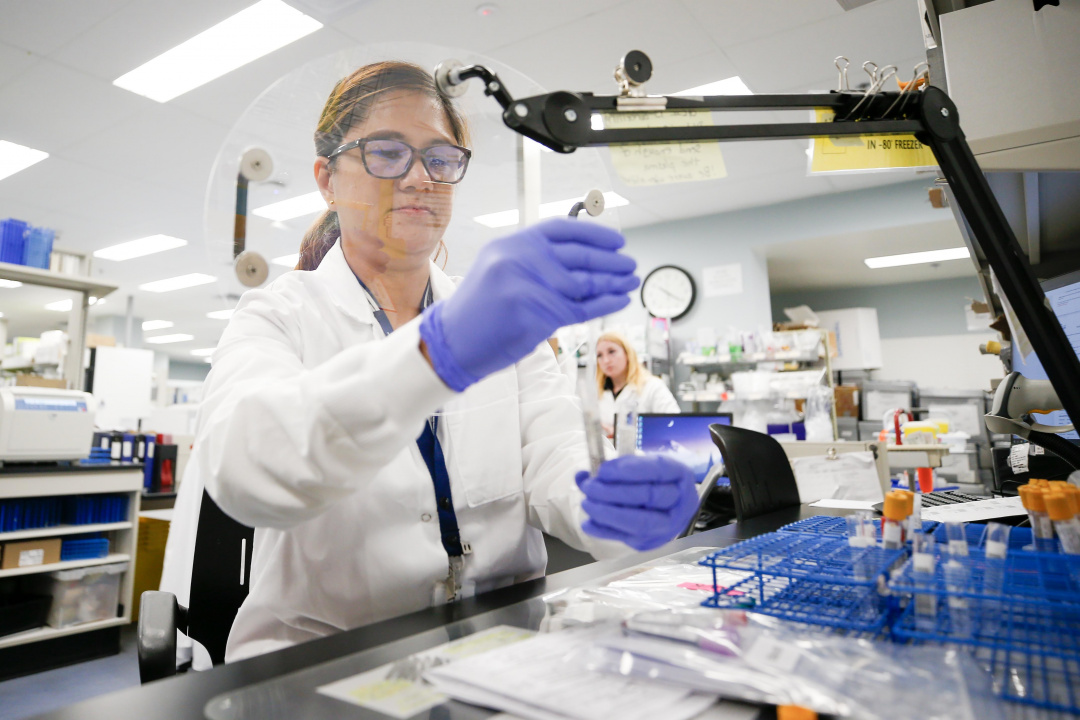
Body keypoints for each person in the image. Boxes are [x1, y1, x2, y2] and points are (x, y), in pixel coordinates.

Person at [191, 61, 698, 662]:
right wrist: (439, 351)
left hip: (502, 649)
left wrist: (609, 508)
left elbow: (554, 454)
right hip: (325, 658)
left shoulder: (502, 323)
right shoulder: (277, 315)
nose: (418, 178)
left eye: (440, 157)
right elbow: (247, 469)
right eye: (386, 152)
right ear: (327, 179)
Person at [596, 331, 680, 438]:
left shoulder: (653, 386)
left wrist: (624, 434)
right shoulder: (597, 392)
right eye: (599, 355)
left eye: (611, 352)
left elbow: (674, 425)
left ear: (627, 354)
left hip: (645, 453)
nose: (606, 360)